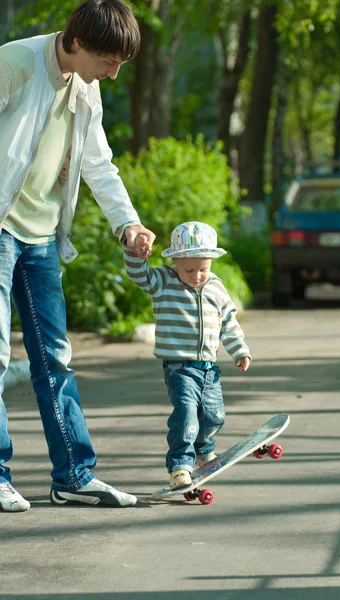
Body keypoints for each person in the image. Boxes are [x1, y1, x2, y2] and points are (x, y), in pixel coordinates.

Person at [0, 0, 155, 512]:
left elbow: (98, 161)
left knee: (55, 360)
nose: (112, 74)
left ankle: (74, 475)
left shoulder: (87, 91)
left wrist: (126, 221)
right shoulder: (16, 64)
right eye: (109, 60)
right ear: (78, 42)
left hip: (41, 236)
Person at [124, 222, 251, 489]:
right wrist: (135, 252)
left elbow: (228, 320)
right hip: (179, 368)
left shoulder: (216, 287)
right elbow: (139, 275)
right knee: (186, 415)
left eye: (203, 269)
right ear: (174, 261)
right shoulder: (164, 282)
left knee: (214, 415)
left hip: (209, 368)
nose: (196, 275)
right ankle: (180, 466)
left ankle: (204, 452)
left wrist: (239, 350)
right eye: (189, 269)